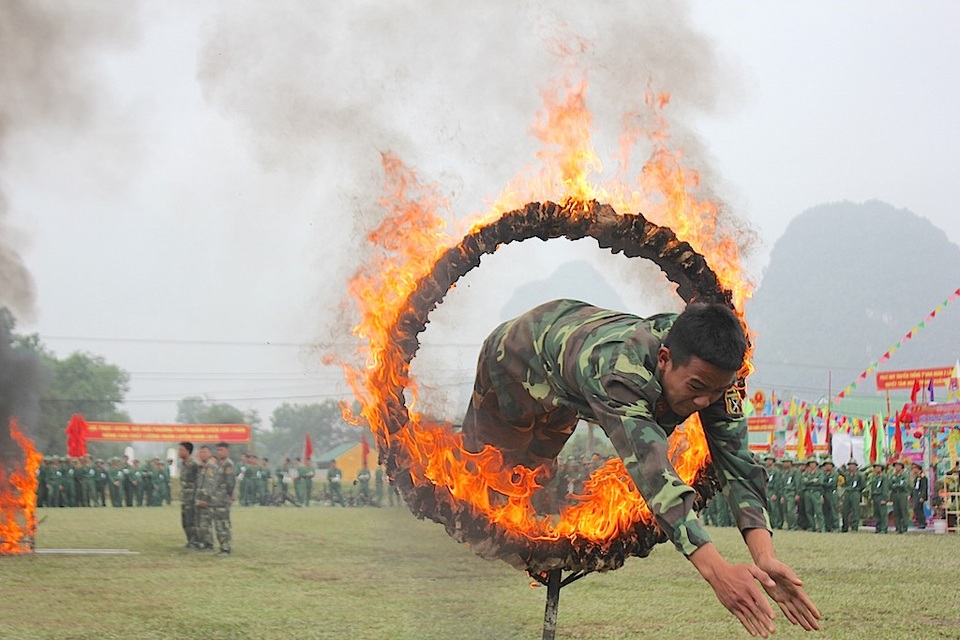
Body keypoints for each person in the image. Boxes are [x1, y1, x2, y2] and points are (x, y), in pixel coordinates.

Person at [461, 299, 820, 637]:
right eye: (696, 388)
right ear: (664, 359)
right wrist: (717, 571)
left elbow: (739, 466)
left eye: (716, 391)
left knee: (538, 474)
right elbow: (654, 475)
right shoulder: (622, 374)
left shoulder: (716, 377)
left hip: (569, 382)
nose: (703, 402)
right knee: (494, 477)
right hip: (515, 358)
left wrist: (765, 556)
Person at [213, 442, 236, 556]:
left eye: (221, 450)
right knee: (218, 523)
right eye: (218, 450)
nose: (219, 452)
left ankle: (226, 548)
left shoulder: (228, 464)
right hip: (217, 499)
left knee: (223, 523)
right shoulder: (219, 464)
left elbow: (230, 482)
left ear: (227, 451)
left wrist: (229, 495)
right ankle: (222, 546)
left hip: (223, 499)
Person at [195, 446, 218, 551]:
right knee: (200, 523)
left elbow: (210, 484)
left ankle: (209, 544)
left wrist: (205, 499)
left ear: (209, 453)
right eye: (201, 452)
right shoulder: (201, 467)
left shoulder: (211, 467)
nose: (202, 454)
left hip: (207, 500)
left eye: (204, 452)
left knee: (206, 523)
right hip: (199, 499)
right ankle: (202, 543)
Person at [178, 442, 201, 549]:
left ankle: (195, 542)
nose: (179, 452)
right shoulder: (183, 463)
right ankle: (189, 541)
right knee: (185, 521)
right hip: (185, 497)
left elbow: (200, 480)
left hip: (193, 497)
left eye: (181, 450)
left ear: (187, 451)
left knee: (192, 521)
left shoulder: (194, 464)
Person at [840, 460, 865, 532]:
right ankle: (845, 527)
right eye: (850, 465)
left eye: (853, 465)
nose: (851, 467)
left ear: (856, 466)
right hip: (847, 492)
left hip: (855, 492)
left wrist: (858, 491)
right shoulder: (847, 474)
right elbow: (844, 483)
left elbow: (863, 485)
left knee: (855, 510)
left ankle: (855, 527)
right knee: (845, 510)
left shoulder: (860, 475)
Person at [889, 460, 910, 534]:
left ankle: (904, 528)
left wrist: (896, 485)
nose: (897, 467)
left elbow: (904, 485)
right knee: (896, 512)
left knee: (904, 511)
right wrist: (896, 485)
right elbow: (890, 485)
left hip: (902, 494)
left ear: (902, 467)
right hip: (895, 494)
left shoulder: (905, 475)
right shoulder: (893, 476)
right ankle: (898, 528)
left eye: (899, 466)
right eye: (896, 466)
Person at [911, 462, 929, 528]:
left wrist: (922, 496)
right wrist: (911, 494)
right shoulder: (917, 477)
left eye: (914, 468)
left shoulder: (923, 477)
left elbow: (924, 488)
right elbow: (914, 487)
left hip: (920, 495)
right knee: (917, 509)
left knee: (918, 509)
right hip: (916, 495)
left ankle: (922, 522)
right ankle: (920, 522)